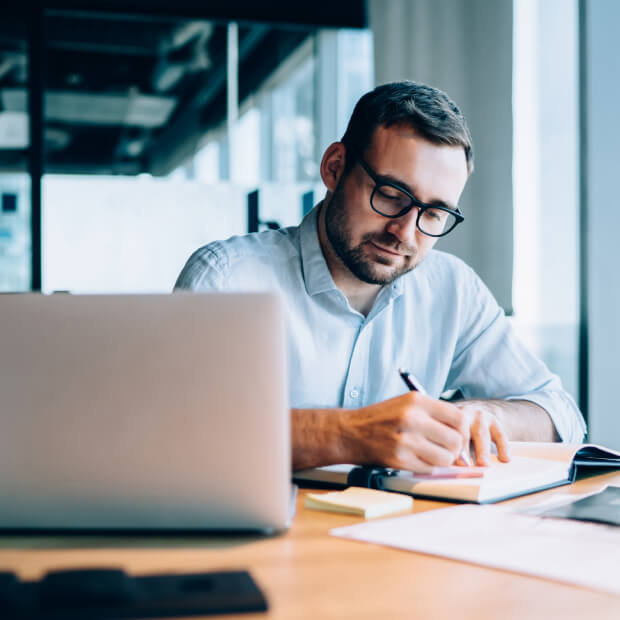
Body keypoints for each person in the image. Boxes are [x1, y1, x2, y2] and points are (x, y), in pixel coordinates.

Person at [175, 81, 586, 473]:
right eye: (391, 195)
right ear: (335, 167)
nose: (405, 233)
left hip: (403, 538)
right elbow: (174, 430)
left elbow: (561, 414)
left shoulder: (452, 289)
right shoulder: (227, 278)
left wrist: (484, 416)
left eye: (434, 214)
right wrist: (351, 436)